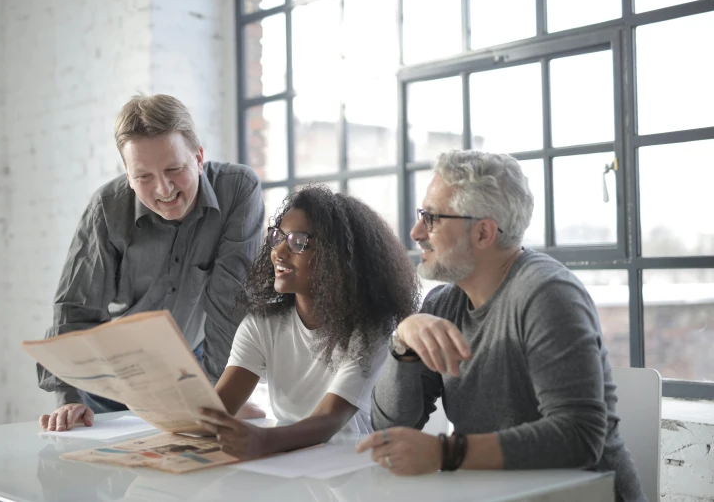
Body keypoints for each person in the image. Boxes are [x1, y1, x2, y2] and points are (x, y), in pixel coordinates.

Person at [356, 150, 646, 502]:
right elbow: (389, 431)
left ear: (483, 233)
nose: (416, 232)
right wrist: (403, 342)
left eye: (431, 218)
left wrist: (447, 453)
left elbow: (580, 436)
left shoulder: (548, 293)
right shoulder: (441, 306)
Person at [38, 94, 265, 432]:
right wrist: (69, 396)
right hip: (112, 378)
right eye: (143, 177)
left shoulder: (238, 190)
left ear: (199, 157)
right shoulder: (107, 207)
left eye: (174, 169)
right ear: (127, 175)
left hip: (193, 368)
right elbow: (76, 308)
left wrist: (220, 398)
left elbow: (228, 304)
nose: (164, 188)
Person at [195, 185, 421, 458]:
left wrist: (262, 440)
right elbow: (220, 408)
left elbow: (328, 422)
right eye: (277, 237)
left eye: (298, 242)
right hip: (290, 461)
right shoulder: (261, 324)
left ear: (338, 257)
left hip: (353, 466)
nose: (278, 252)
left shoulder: (371, 329)